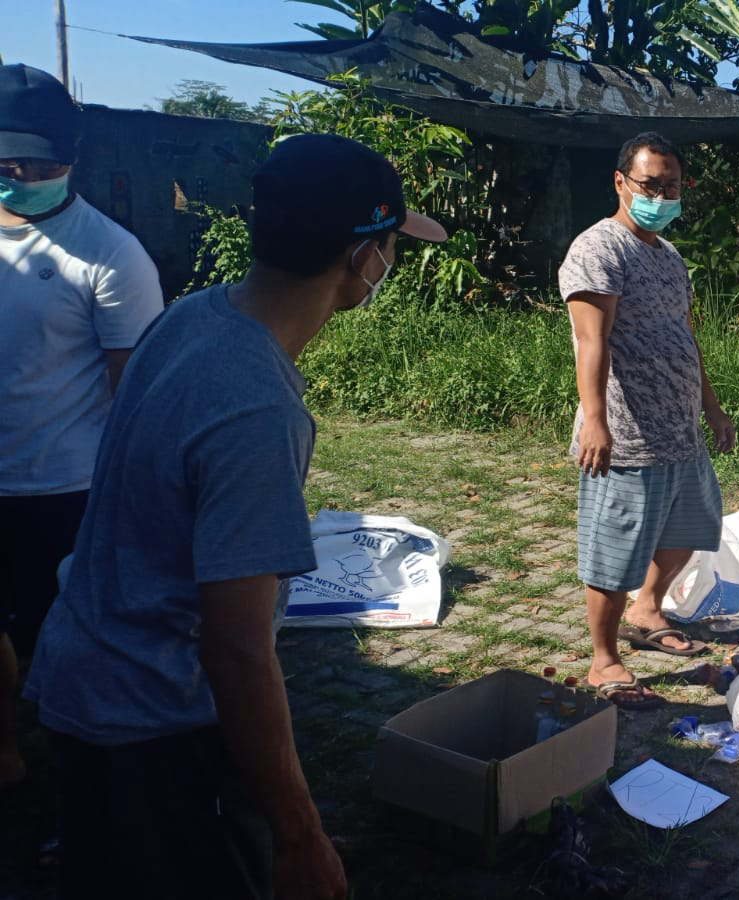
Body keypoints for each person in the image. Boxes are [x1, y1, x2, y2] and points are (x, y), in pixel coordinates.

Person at [25, 133, 447, 899]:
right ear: (362, 261)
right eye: (390, 247)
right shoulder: (255, 405)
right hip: (151, 724)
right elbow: (238, 649)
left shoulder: (192, 317)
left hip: (85, 679)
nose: (387, 263)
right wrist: (299, 835)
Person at [0, 63, 163, 788]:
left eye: (42, 159)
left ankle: (79, 773)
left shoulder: (110, 254)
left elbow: (135, 394)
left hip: (62, 490)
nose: (24, 172)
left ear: (72, 156)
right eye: (8, 158)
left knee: (62, 641)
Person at [560, 131, 736, 710]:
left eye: (672, 186)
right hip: (626, 435)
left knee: (692, 529)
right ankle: (604, 660)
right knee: (614, 554)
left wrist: (711, 405)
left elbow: (687, 336)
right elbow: (592, 340)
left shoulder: (668, 254)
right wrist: (595, 419)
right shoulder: (599, 249)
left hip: (680, 429)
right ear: (621, 182)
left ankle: (647, 608)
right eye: (650, 185)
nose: (662, 195)